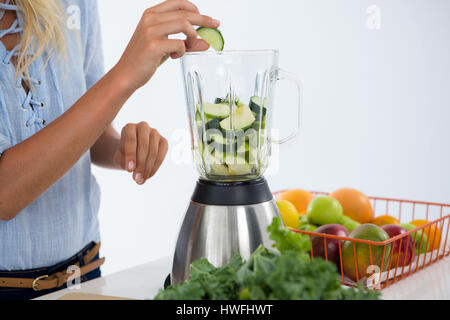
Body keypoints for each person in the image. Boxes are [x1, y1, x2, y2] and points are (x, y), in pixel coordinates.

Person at [0, 0, 219, 300]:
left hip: (86, 277)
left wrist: (120, 149)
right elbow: (5, 193)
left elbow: (88, 126)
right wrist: (124, 75)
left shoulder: (76, 4)